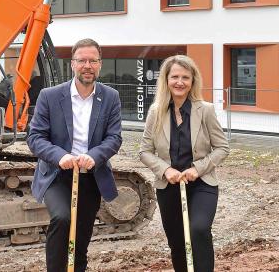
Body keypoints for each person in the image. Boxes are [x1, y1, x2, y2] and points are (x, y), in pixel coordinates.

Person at [27, 38, 123, 272]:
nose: (87, 66)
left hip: (91, 174)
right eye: (82, 60)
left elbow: (114, 138)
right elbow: (35, 137)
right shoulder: (49, 96)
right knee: (62, 218)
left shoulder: (110, 97)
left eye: (93, 60)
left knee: (81, 235)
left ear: (100, 64)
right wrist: (60, 155)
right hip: (57, 174)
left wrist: (95, 155)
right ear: (72, 64)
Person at [140, 55, 229, 272]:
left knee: (198, 229)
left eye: (185, 77)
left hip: (201, 184)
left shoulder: (205, 110)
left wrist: (197, 170)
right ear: (166, 80)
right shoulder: (156, 111)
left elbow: (222, 148)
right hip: (168, 185)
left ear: (192, 81)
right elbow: (144, 151)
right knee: (177, 242)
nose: (180, 82)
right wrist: (165, 169)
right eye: (175, 77)